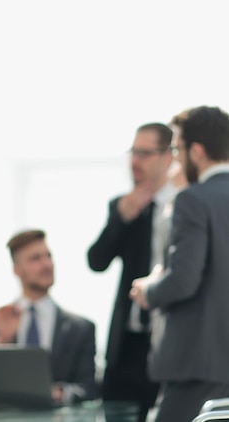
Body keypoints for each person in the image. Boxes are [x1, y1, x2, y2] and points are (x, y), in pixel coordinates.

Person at [130, 105, 229, 422]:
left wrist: (150, 290)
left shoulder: (192, 200)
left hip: (197, 365)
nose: (175, 157)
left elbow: (185, 279)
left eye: (177, 148)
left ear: (196, 151)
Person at [86, 122, 176, 421]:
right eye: (132, 152)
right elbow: (96, 261)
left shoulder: (185, 205)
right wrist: (121, 218)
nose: (134, 161)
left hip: (172, 338)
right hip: (130, 343)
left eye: (144, 153)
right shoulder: (123, 206)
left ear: (168, 157)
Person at [0, 229, 96, 405]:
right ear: (17, 270)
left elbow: (89, 388)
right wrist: (3, 341)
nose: (47, 264)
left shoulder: (81, 328)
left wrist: (59, 393)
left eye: (48, 256)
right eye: (35, 259)